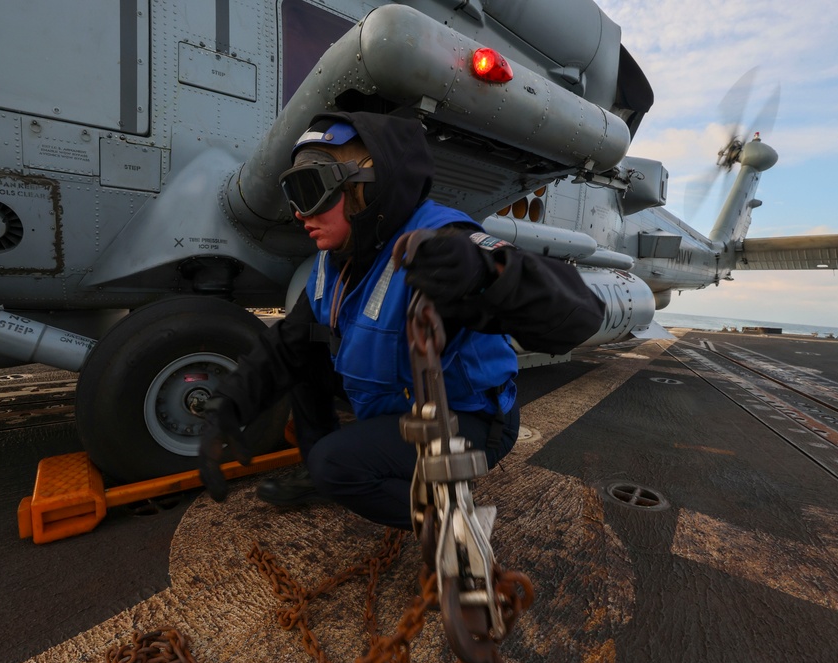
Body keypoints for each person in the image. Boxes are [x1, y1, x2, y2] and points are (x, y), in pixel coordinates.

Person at [197, 111, 604, 530]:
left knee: (334, 465)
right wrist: (231, 404)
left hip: (471, 420)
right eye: (293, 194)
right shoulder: (334, 261)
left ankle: (452, 524)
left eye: (310, 189)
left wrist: (487, 274)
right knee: (304, 356)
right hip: (399, 401)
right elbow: (286, 343)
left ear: (361, 187)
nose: (300, 214)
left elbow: (579, 316)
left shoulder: (439, 244)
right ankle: (332, 471)